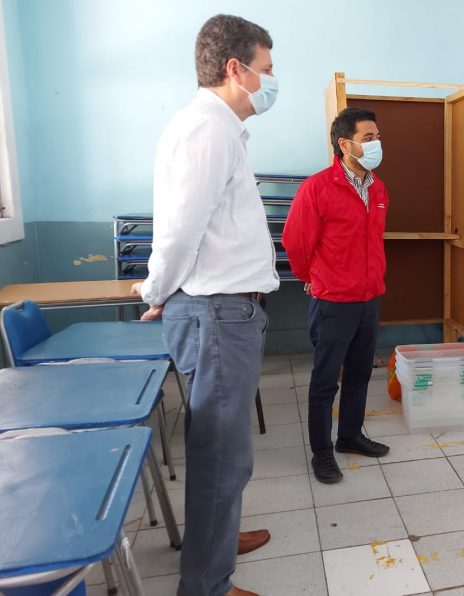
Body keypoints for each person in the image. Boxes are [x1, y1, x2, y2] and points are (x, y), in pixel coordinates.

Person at [131, 14, 280, 596]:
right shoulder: (206, 130)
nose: (271, 82)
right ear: (234, 69)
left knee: (222, 446)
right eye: (266, 70)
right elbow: (178, 230)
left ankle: (216, 537)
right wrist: (157, 289)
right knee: (222, 454)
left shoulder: (220, 130)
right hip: (217, 313)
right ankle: (206, 585)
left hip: (228, 312)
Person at [282, 107, 390, 484]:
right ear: (345, 144)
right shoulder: (317, 187)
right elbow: (295, 241)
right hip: (333, 300)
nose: (377, 144)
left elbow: (372, 242)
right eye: (368, 138)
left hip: (368, 297)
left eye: (377, 137)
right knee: (327, 380)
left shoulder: (378, 188)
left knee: (361, 371)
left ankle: (349, 436)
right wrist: (311, 277)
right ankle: (322, 453)